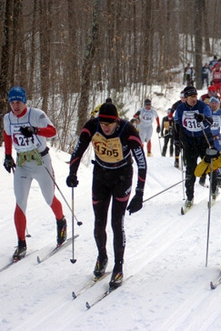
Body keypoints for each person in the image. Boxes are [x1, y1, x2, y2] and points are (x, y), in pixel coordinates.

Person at [66, 102, 147, 289]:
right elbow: (78, 150)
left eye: (109, 124)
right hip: (101, 176)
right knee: (99, 221)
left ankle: (119, 265)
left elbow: (141, 162)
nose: (106, 127)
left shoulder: (128, 131)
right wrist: (72, 173)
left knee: (116, 222)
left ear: (117, 122)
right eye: (103, 124)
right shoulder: (92, 126)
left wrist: (139, 193)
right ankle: (102, 257)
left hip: (122, 177)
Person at [3, 86, 67, 261]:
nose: (15, 106)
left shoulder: (36, 114)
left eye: (19, 102)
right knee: (20, 201)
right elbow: (7, 135)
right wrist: (8, 156)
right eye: (12, 102)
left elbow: (52, 131)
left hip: (41, 161)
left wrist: (35, 130)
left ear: (25, 101)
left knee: (49, 198)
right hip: (23, 163)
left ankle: (61, 221)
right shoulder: (8, 118)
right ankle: (21, 243)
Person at [174, 85, 216, 209]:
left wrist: (203, 117)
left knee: (209, 166)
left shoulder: (203, 106)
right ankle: (189, 197)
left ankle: (214, 191)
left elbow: (210, 121)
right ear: (185, 98)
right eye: (191, 97)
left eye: (195, 96)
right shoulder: (180, 109)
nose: (194, 99)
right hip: (189, 142)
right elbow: (177, 125)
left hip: (204, 140)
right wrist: (177, 140)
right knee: (190, 170)